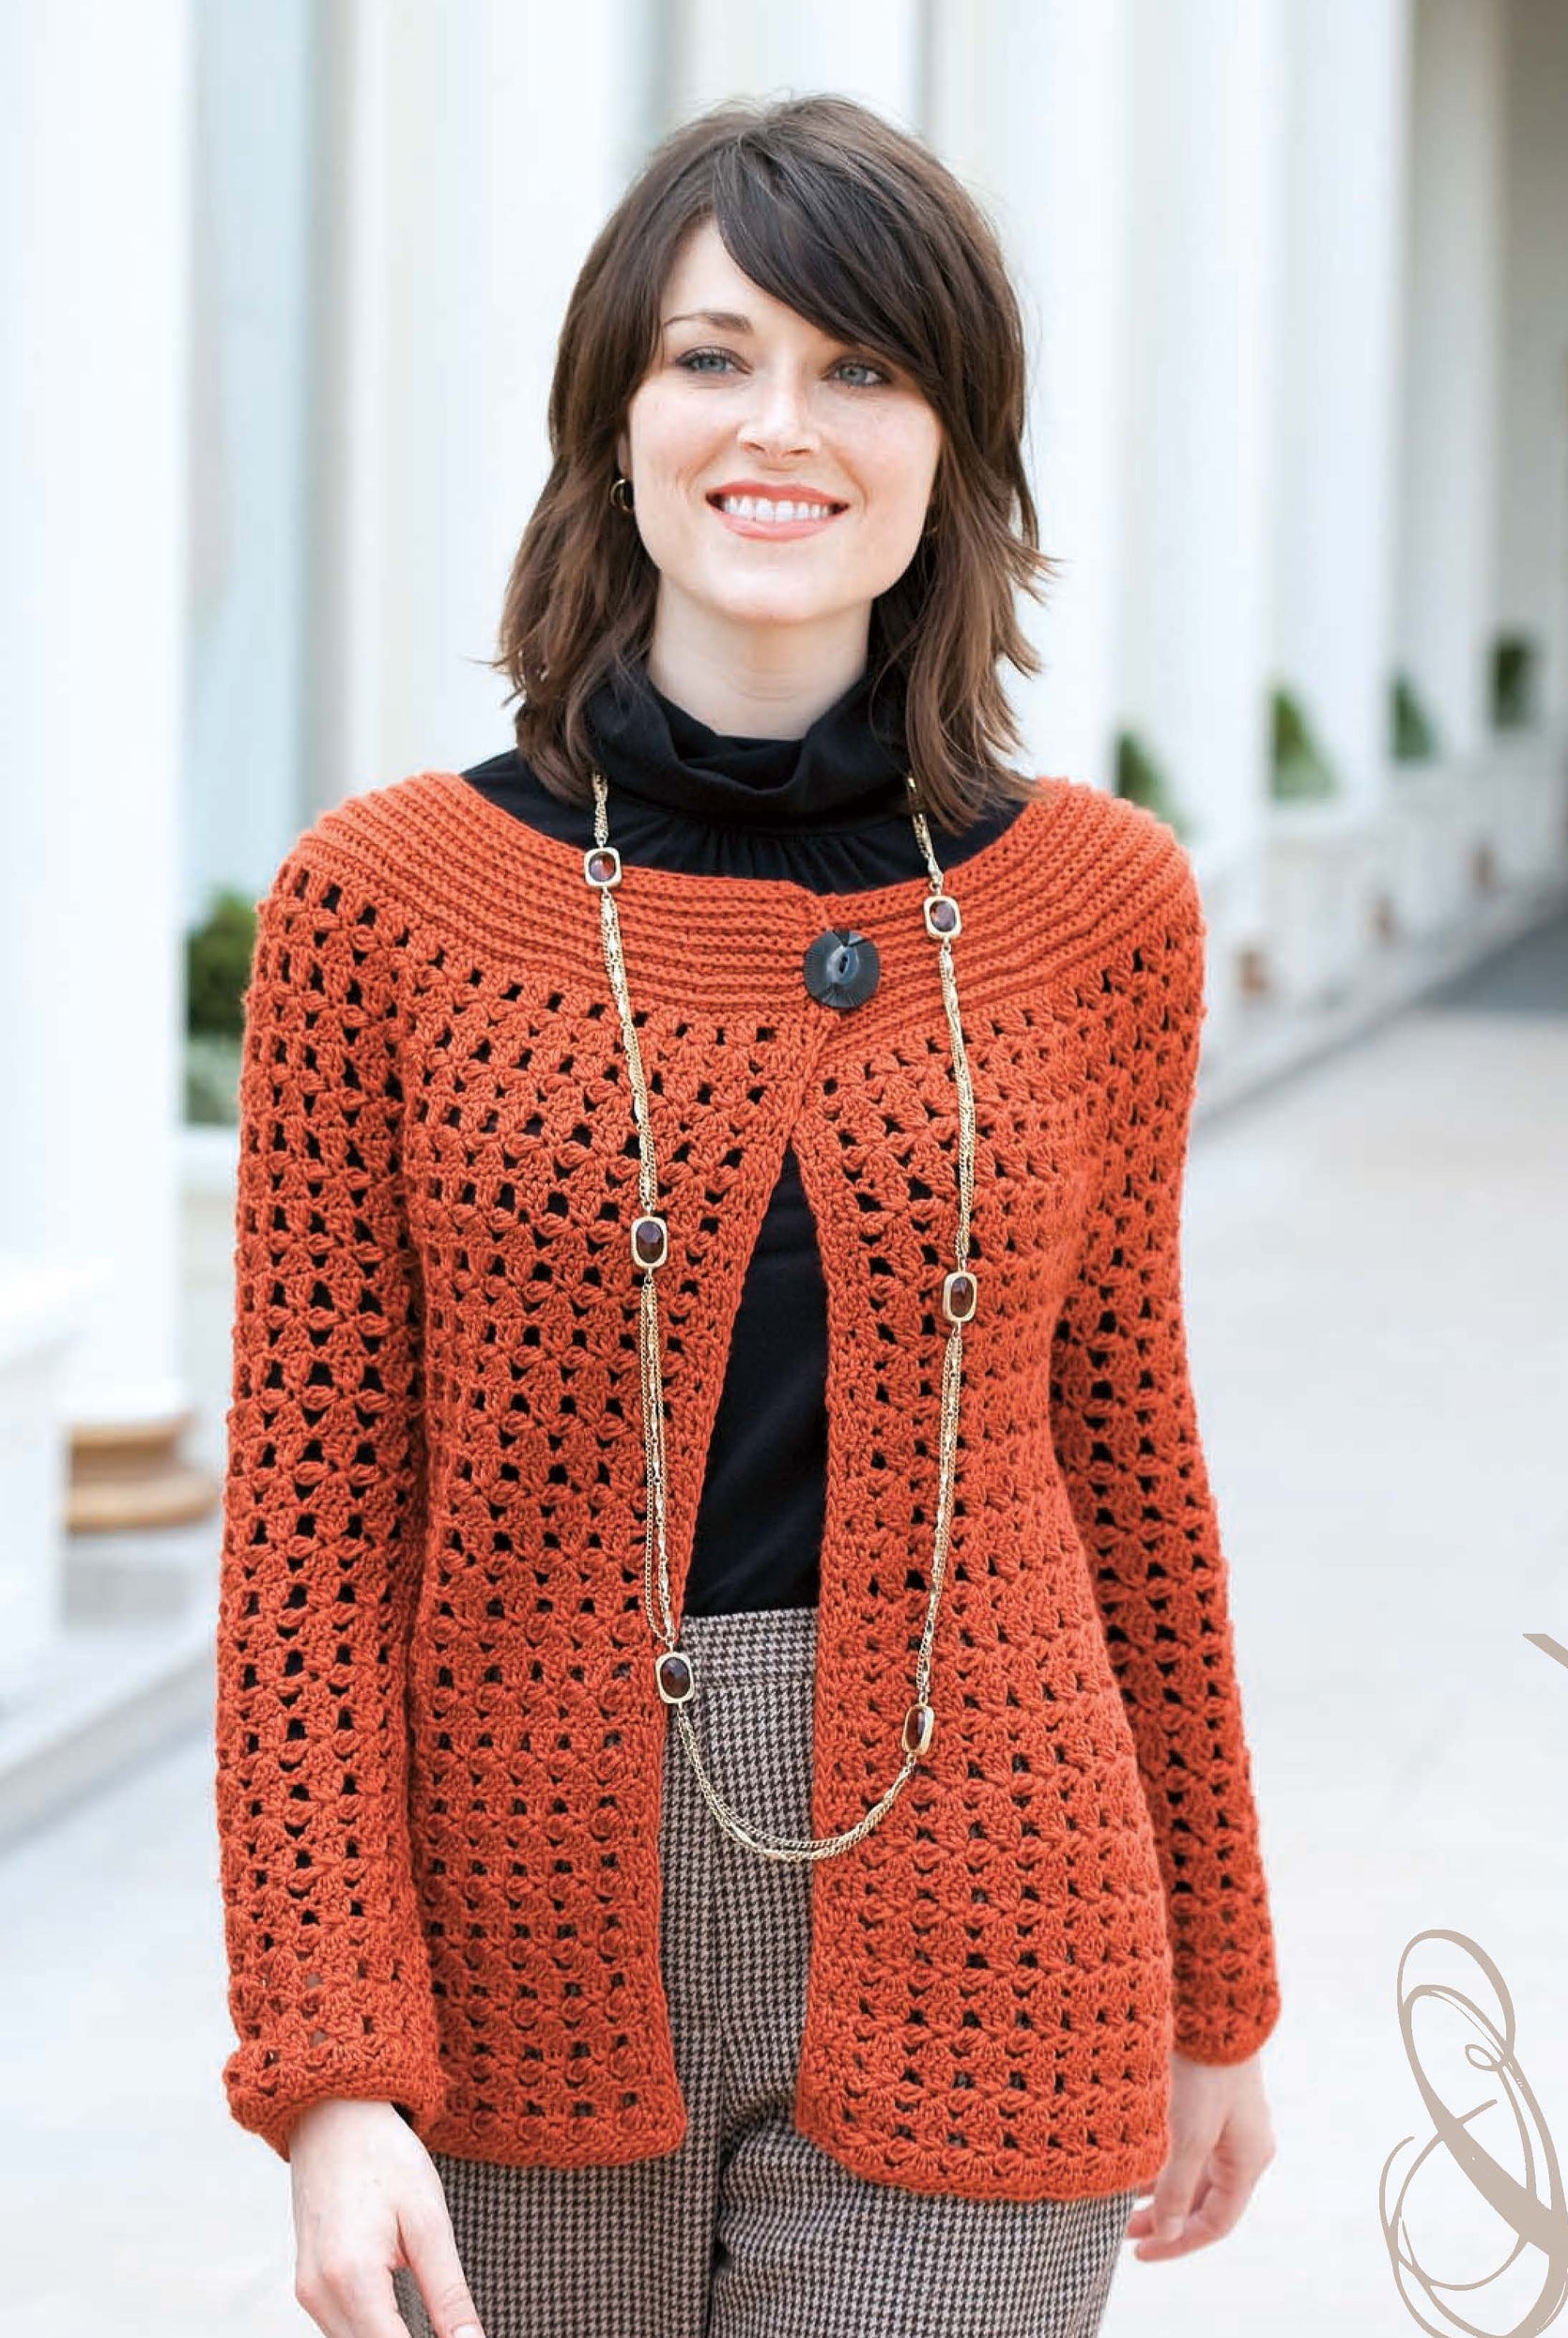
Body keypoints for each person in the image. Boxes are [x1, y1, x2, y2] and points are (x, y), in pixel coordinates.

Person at [212, 92, 1282, 2338]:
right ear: (613, 421)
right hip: (504, 1961)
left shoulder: (1098, 907)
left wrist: (1216, 1980)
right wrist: (328, 2074)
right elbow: (311, 1529)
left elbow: (1130, 1464)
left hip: (996, 1910)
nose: (775, 425)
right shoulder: (378, 906)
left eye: (861, 367)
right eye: (711, 357)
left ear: (951, 449)